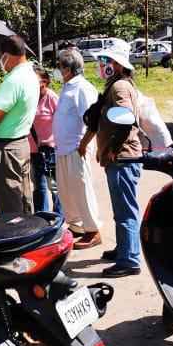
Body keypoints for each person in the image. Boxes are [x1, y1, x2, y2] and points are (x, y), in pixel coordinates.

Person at [92, 46, 143, 278]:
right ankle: (124, 248)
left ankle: (129, 259)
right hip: (119, 157)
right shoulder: (117, 84)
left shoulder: (120, 86)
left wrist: (113, 148)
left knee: (125, 212)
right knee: (121, 210)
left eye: (107, 60)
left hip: (123, 157)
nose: (103, 64)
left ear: (120, 64)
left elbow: (126, 118)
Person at [52, 49, 103, 250]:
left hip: (76, 148)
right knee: (67, 192)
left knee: (81, 190)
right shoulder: (68, 87)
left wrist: (83, 145)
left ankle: (93, 230)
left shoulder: (82, 88)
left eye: (59, 66)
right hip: (63, 149)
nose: (57, 70)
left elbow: (92, 120)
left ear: (68, 69)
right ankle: (77, 227)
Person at [0, 35, 37, 215]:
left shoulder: (13, 80)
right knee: (24, 199)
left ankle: (14, 240)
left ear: (7, 55)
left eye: (1, 57)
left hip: (6, 149)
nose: (1, 61)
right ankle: (30, 237)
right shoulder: (31, 75)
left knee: (10, 205)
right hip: (21, 144)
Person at [29, 66, 61, 215]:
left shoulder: (52, 98)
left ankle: (58, 219)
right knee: (39, 186)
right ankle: (42, 219)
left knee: (54, 186)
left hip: (51, 149)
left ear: (45, 82)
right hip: (34, 149)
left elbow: (62, 121)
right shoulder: (29, 98)